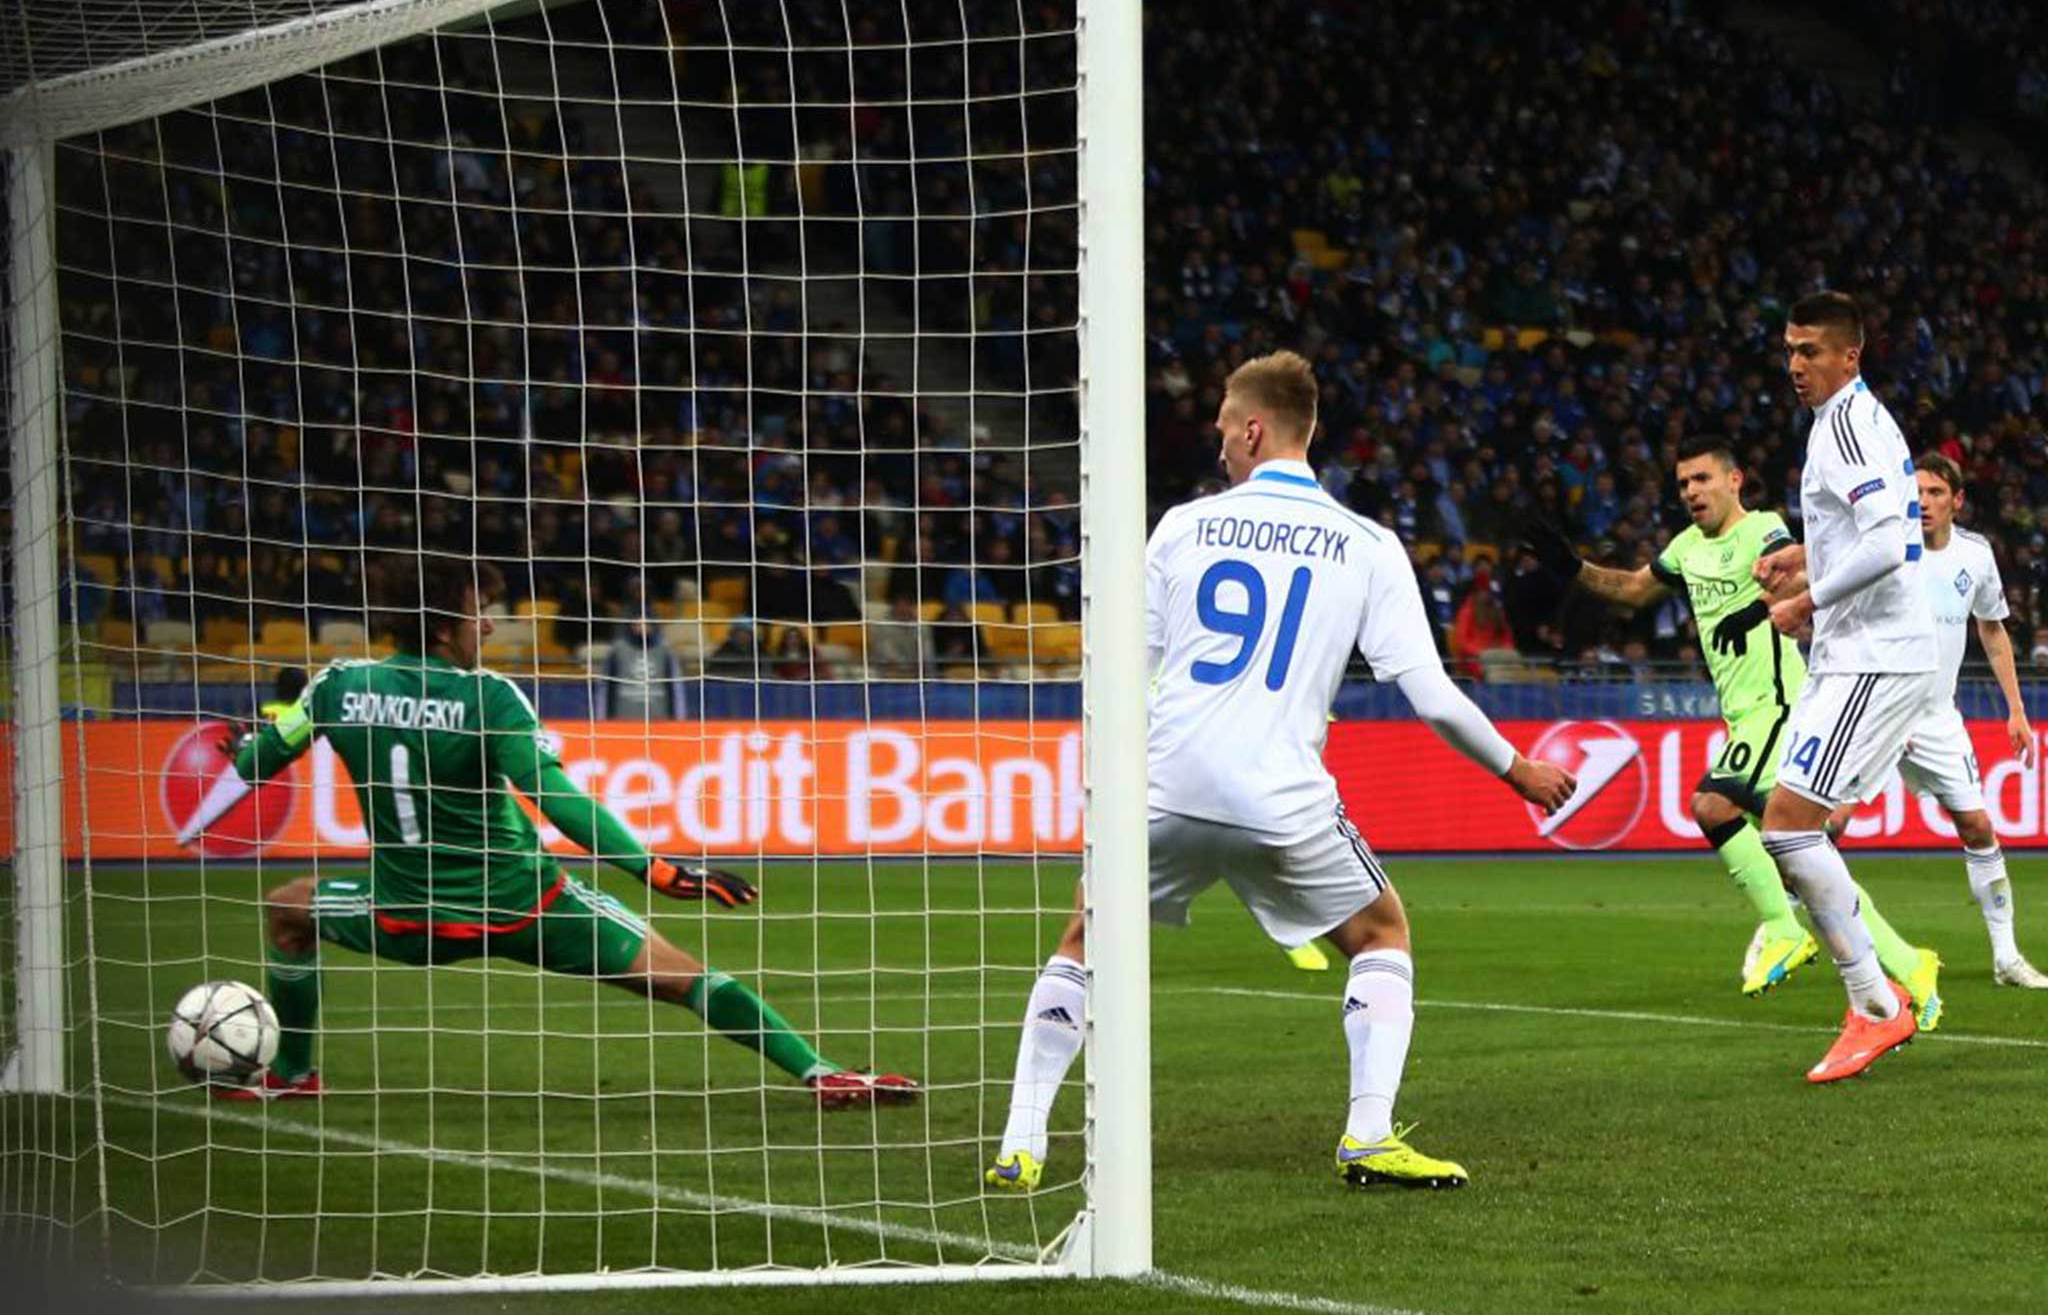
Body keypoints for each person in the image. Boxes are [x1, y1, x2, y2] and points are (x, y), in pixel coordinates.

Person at [985, 352, 1576, 1195]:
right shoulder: (1368, 545)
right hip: (1281, 798)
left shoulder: (1182, 527)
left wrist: (1115, 788)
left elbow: (1122, 676)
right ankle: (1368, 1136)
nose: (1221, 442)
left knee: (1085, 940)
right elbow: (1434, 696)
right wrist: (1516, 768)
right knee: (1381, 936)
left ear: (1255, 429)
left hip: (1165, 784)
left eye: (1226, 426)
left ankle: (1021, 1143)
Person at [175, 551, 915, 1110]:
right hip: (530, 907)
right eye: (478, 612)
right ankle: (822, 1073)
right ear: (443, 624)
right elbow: (557, 800)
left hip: (408, 916)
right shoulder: (490, 697)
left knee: (290, 906)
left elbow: (261, 756)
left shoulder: (338, 685)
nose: (490, 624)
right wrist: (655, 869)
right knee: (687, 977)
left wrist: (236, 759)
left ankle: (295, 1075)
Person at [1524, 437, 1940, 1019]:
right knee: (1801, 856)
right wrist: (1572, 567)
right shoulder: (1687, 548)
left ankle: (1785, 931)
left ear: (1734, 480)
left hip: (1781, 705)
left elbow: (1800, 572)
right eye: (1683, 484)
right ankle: (1906, 961)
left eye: (1702, 479)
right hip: (1745, 715)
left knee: (1713, 806)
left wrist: (1764, 606)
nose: (1692, 492)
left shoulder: (1763, 530)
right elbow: (1633, 589)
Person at [1751, 292, 1936, 1083]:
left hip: (1873, 653)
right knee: (1794, 829)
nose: (1796, 365)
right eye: (1790, 350)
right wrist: (1808, 561)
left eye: (1812, 351)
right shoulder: (1840, 422)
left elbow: (1895, 543)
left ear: (1849, 356)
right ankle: (1877, 995)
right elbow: (1865, 535)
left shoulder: (1852, 425)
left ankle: (1876, 1003)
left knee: (1789, 828)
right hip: (1863, 652)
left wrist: (1807, 598)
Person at [1905, 455, 2045, 987]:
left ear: (1956, 501)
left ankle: (2006, 957)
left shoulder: (1975, 556)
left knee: (1979, 827)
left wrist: (2015, 709)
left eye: (1936, 492)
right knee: (1828, 822)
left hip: (1938, 717)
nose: (1923, 501)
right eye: (1915, 490)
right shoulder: (1888, 548)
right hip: (1877, 707)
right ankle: (1780, 922)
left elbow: (1992, 631)